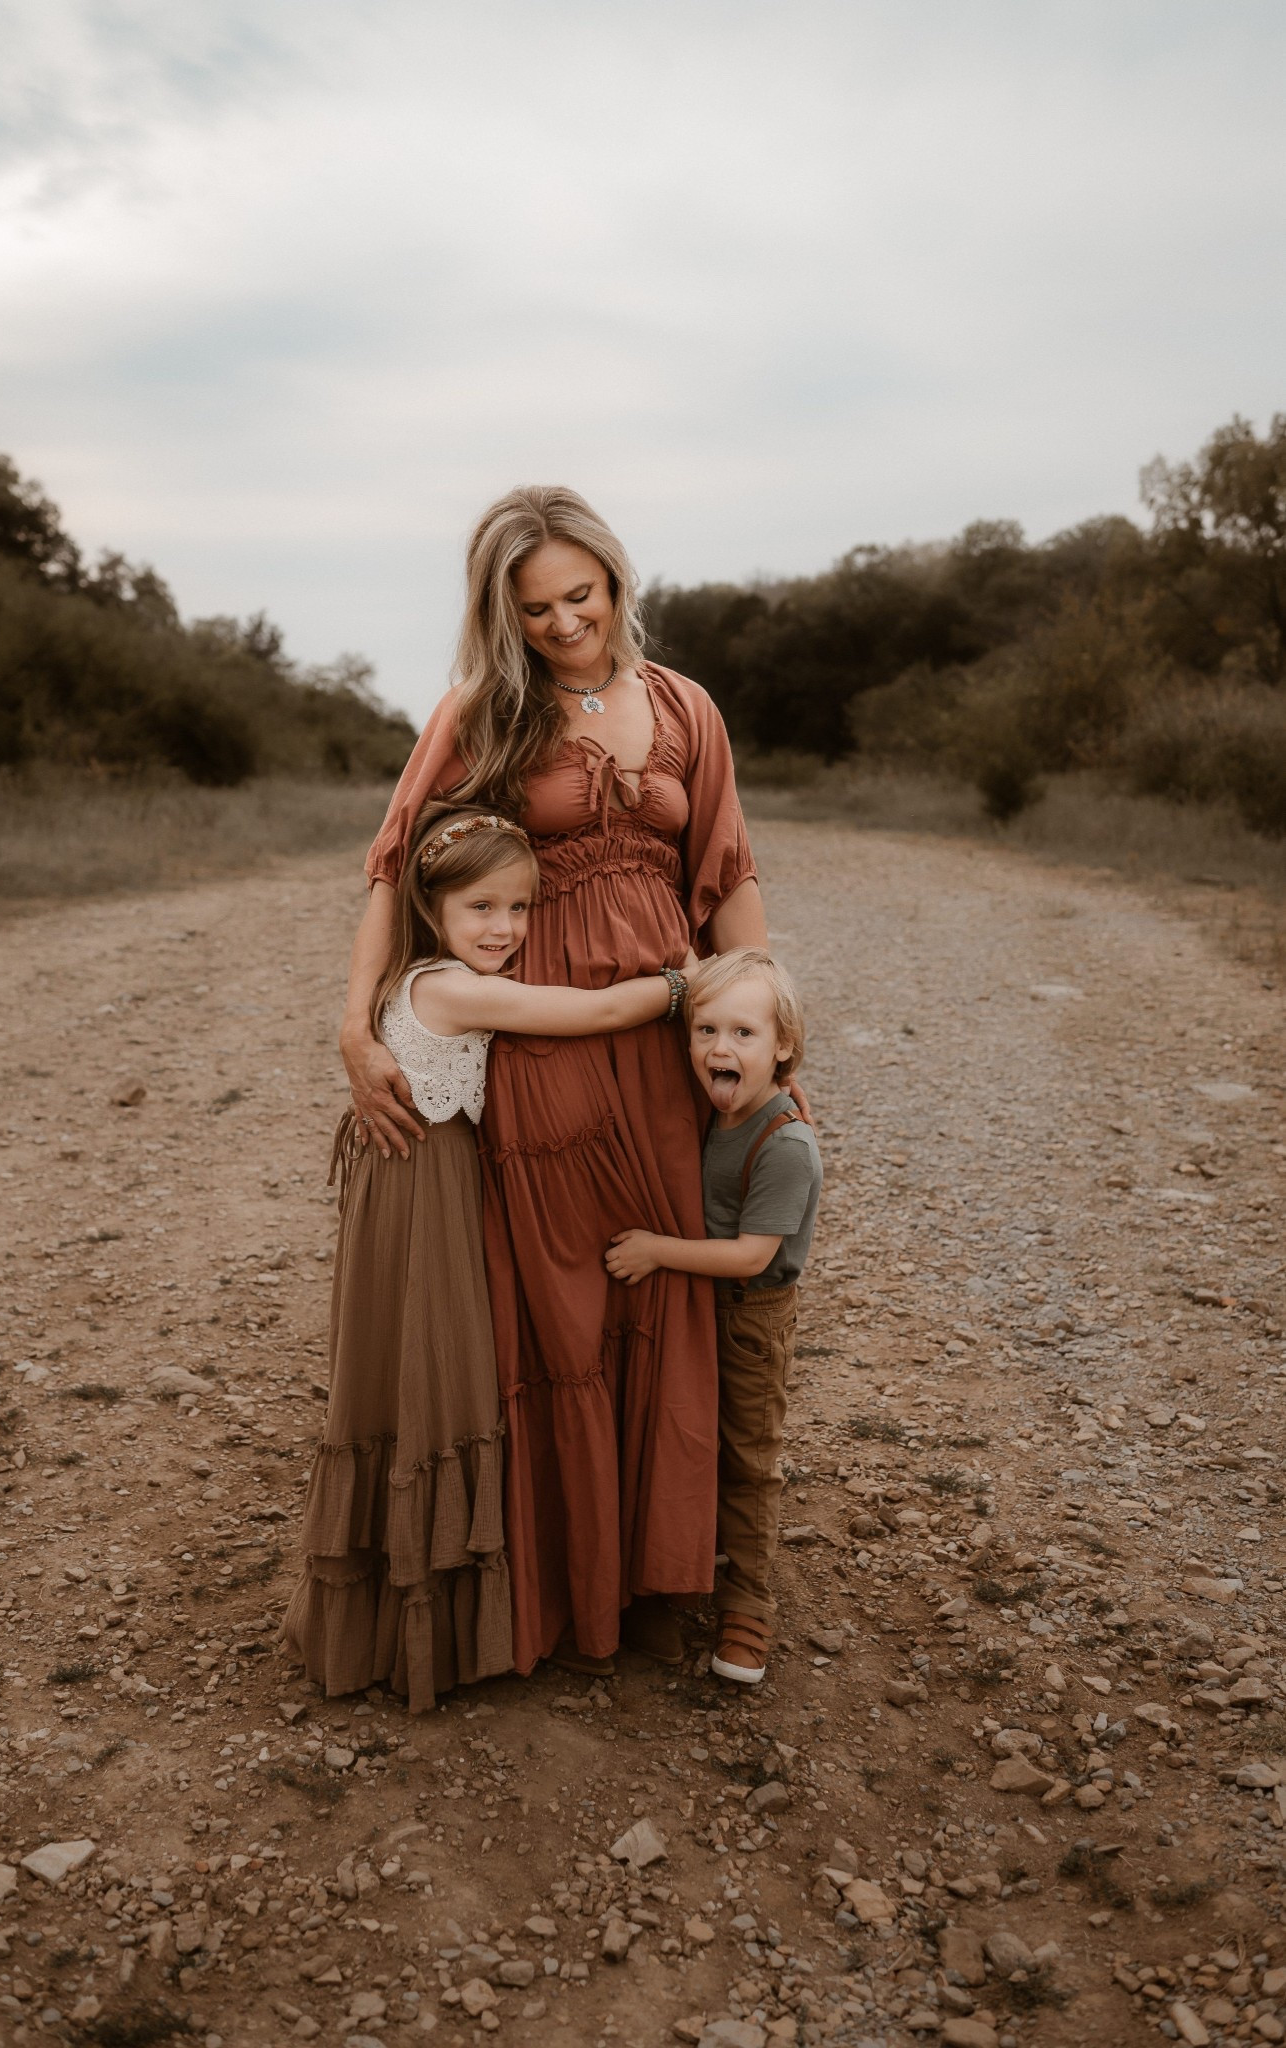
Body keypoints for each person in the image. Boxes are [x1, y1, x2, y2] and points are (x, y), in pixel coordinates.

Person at [340, 485, 774, 1678]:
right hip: (544, 1049)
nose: (564, 623)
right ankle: (560, 1583)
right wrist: (354, 1024)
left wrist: (770, 1021)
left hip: (671, 1042)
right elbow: (393, 862)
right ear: (504, 614)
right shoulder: (484, 710)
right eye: (535, 609)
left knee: (668, 1283)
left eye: (579, 594)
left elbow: (726, 871)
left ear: (617, 580)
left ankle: (660, 1568)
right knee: (563, 1302)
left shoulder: (688, 707)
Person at [285, 802, 693, 1712]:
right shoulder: (447, 987)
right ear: (433, 910)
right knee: (430, 1363)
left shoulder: (419, 975)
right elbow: (587, 1010)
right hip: (420, 1186)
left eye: (520, 908)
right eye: (482, 908)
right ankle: (411, 1612)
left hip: (419, 1180)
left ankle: (420, 1602)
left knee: (411, 1357)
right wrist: (679, 987)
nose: (505, 929)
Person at [605, 948, 822, 1686]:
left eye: (742, 1034)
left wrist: (655, 1252)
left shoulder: (785, 1144)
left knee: (748, 1458)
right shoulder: (704, 1110)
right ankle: (704, 1552)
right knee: (694, 1436)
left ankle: (749, 1605)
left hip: (748, 1318)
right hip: (699, 1308)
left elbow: (752, 1256)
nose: (719, 1049)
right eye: (704, 1031)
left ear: (783, 1045)